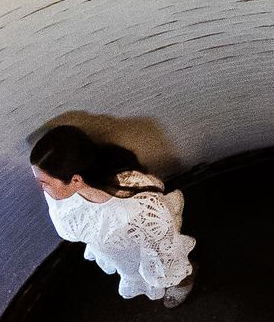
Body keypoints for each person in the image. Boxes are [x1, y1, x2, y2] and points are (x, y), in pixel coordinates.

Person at [29, 126, 195, 306]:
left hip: (144, 246)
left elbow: (163, 247)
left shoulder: (136, 207)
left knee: (164, 267)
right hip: (118, 251)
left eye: (44, 183)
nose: (41, 188)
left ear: (76, 180)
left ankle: (184, 279)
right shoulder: (62, 195)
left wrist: (170, 272)